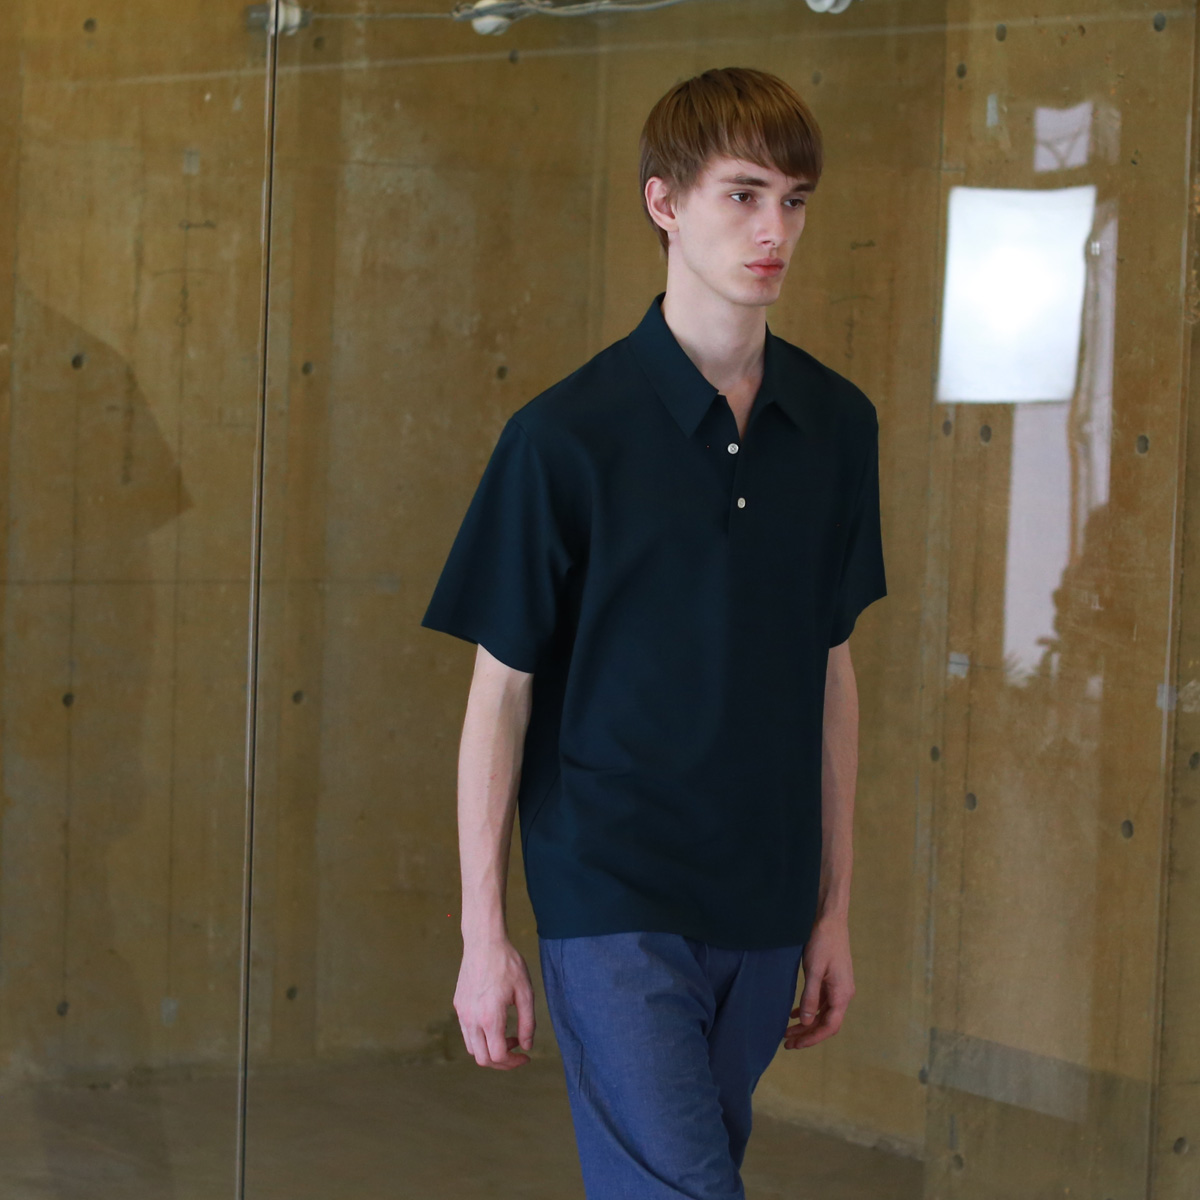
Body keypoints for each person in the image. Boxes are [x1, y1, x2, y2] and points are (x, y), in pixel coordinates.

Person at [420, 65, 887, 1200]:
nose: (776, 230)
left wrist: (833, 910)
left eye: (795, 200)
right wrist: (484, 935)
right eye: (743, 194)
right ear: (664, 203)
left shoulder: (837, 427)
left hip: (765, 895)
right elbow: (500, 697)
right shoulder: (563, 439)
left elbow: (830, 675)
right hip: (613, 891)